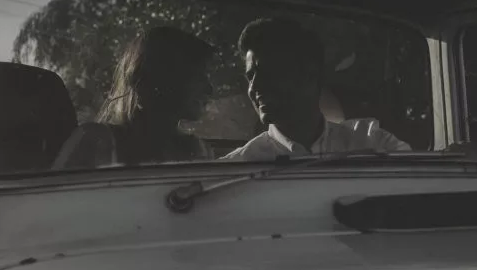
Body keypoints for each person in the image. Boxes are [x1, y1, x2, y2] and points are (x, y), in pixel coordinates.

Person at [223, 18, 410, 160]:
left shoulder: (374, 145)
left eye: (269, 73)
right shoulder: (237, 167)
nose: (254, 87)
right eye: (250, 76)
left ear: (310, 76)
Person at [53, 26, 215, 168]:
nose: (209, 89)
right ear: (154, 79)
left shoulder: (199, 151)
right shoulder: (95, 143)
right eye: (196, 76)